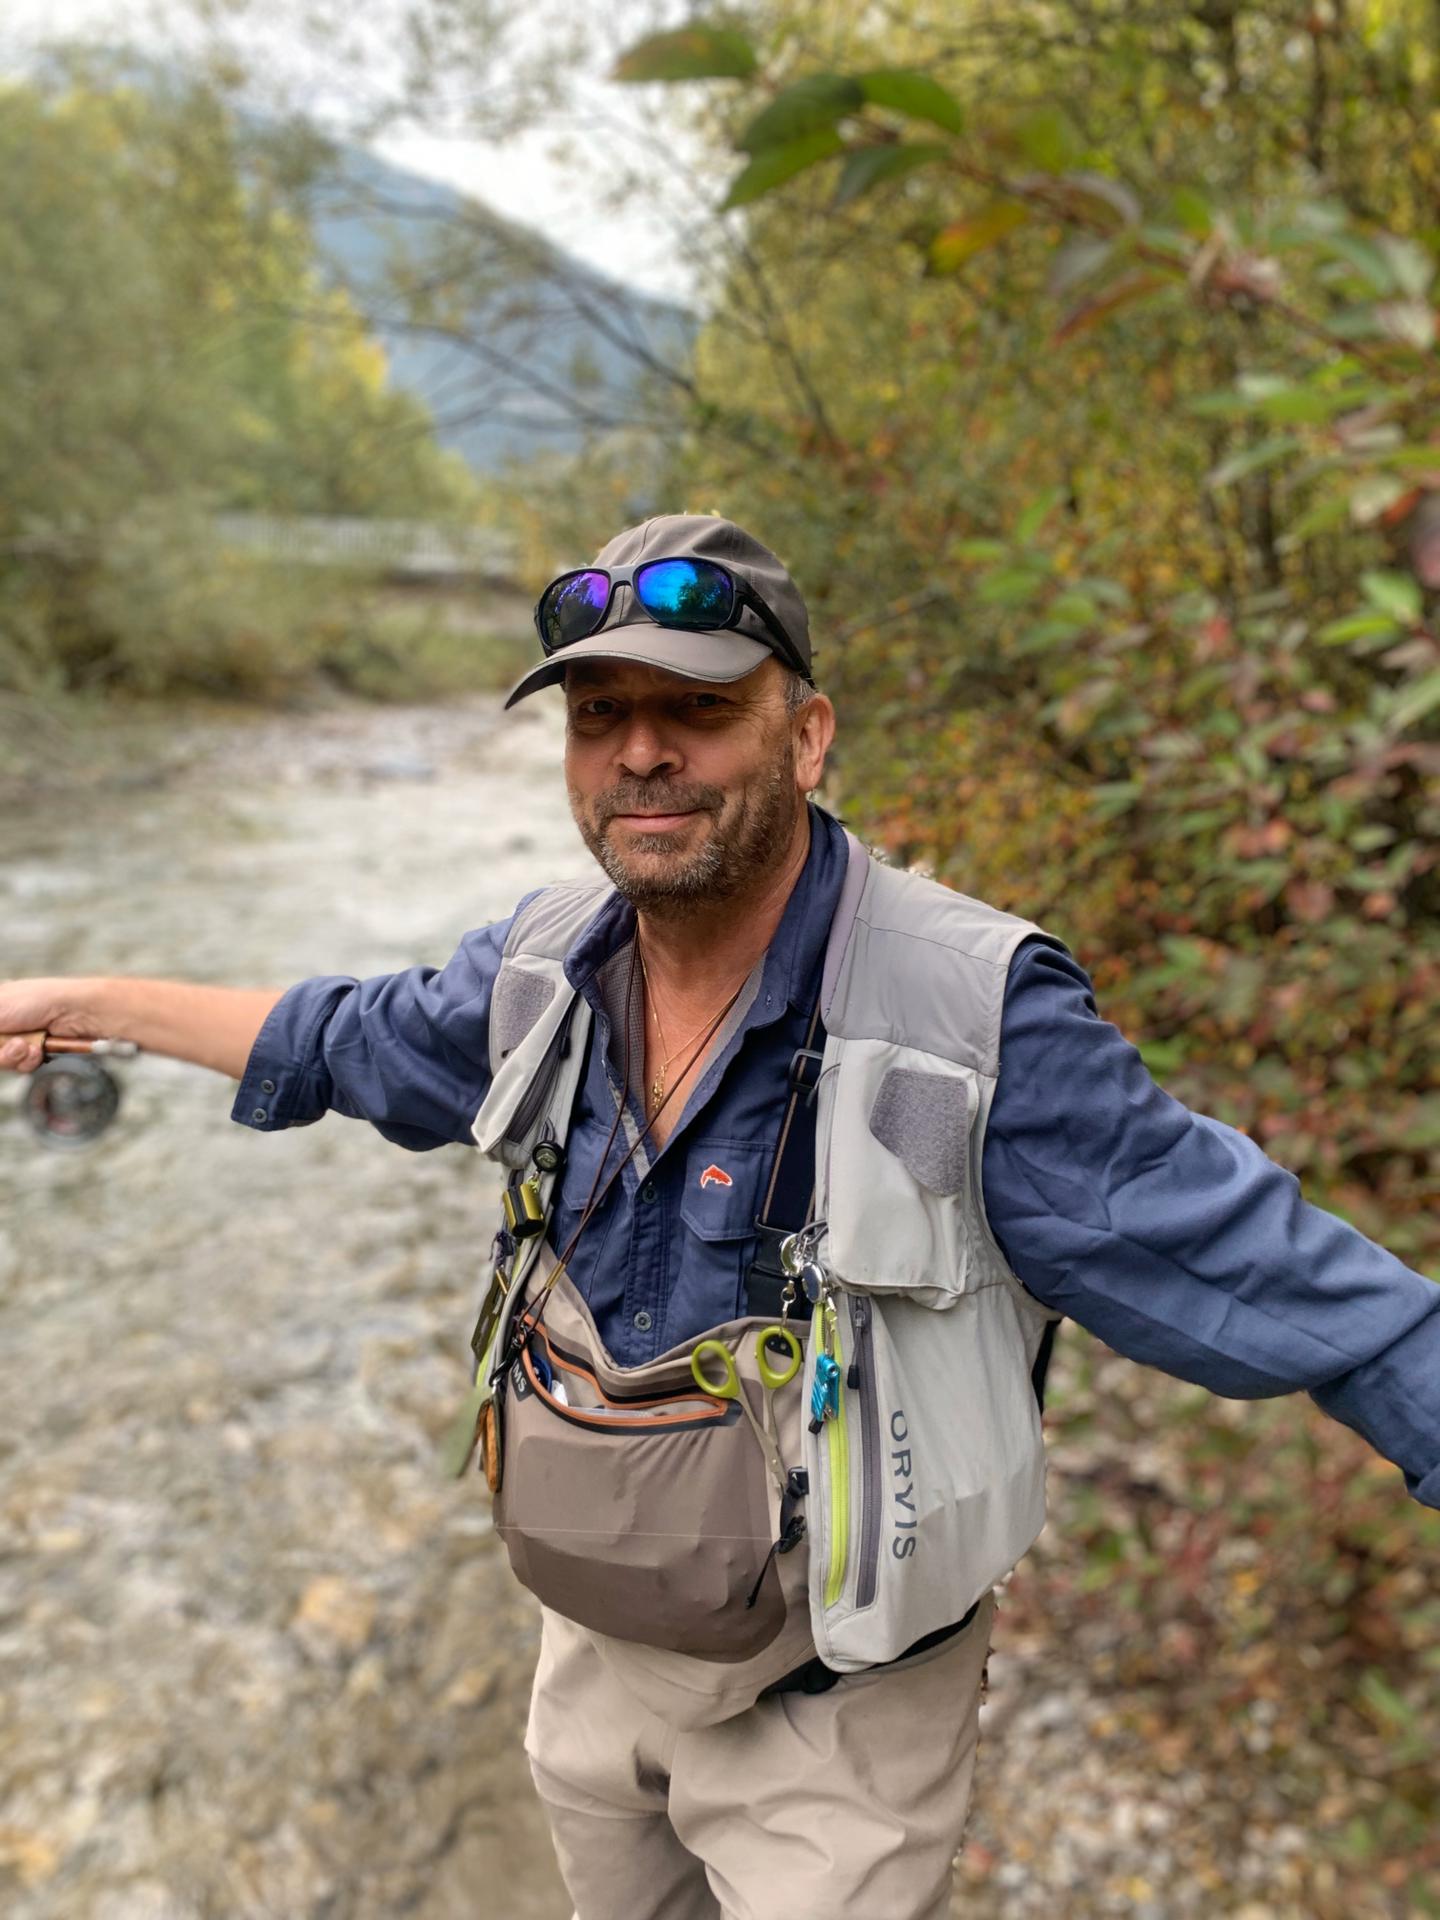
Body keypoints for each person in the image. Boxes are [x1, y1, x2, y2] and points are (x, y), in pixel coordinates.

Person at [2, 512, 1437, 1920]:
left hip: (841, 1720)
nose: (640, 750)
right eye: (599, 712)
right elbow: (334, 1038)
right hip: (590, 1676)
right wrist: (83, 1005)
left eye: (697, 706)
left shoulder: (978, 1022)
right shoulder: (539, 968)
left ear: (806, 736)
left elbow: (1294, 1290)